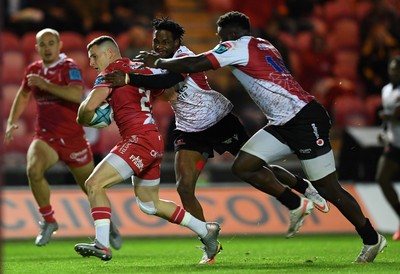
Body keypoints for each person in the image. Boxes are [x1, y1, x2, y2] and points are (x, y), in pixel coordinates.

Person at [135, 11, 387, 263]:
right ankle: (296, 196)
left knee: (329, 188)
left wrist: (156, 63)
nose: (220, 44)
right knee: (244, 166)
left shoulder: (236, 46)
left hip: (303, 119)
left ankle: (371, 238)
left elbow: (192, 65)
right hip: (280, 123)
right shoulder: (264, 43)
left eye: (221, 38)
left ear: (232, 35)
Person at [103, 18, 329, 240]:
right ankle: (207, 239)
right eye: (156, 42)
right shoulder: (155, 60)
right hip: (188, 129)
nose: (160, 46)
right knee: (184, 188)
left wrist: (128, 77)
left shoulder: (184, 56)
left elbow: (166, 81)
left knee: (257, 165)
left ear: (177, 43)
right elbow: (150, 85)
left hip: (218, 120)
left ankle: (301, 189)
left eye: (165, 42)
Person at [74, 35, 221, 264]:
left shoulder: (110, 73)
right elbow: (164, 88)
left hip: (138, 139)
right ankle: (206, 231)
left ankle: (102, 243)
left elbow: (88, 108)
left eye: (94, 56)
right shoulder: (141, 70)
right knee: (149, 204)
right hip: (153, 139)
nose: (92, 63)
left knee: (94, 184)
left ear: (110, 54)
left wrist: (85, 117)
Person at [4, 28, 121, 249]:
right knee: (33, 170)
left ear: (59, 46)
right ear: (37, 48)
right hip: (46, 136)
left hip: (74, 138)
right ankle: (49, 221)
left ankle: (108, 225)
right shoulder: (34, 69)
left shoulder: (69, 67)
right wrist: (12, 120)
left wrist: (45, 85)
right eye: (42, 44)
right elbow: (23, 94)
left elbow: (76, 95)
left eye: (51, 43)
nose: (46, 48)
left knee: (90, 187)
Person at [376, 56, 400, 241]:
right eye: (392, 69)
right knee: (382, 178)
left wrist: (390, 117)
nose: (393, 72)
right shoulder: (385, 90)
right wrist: (383, 131)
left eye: (397, 69)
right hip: (394, 143)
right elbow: (389, 118)